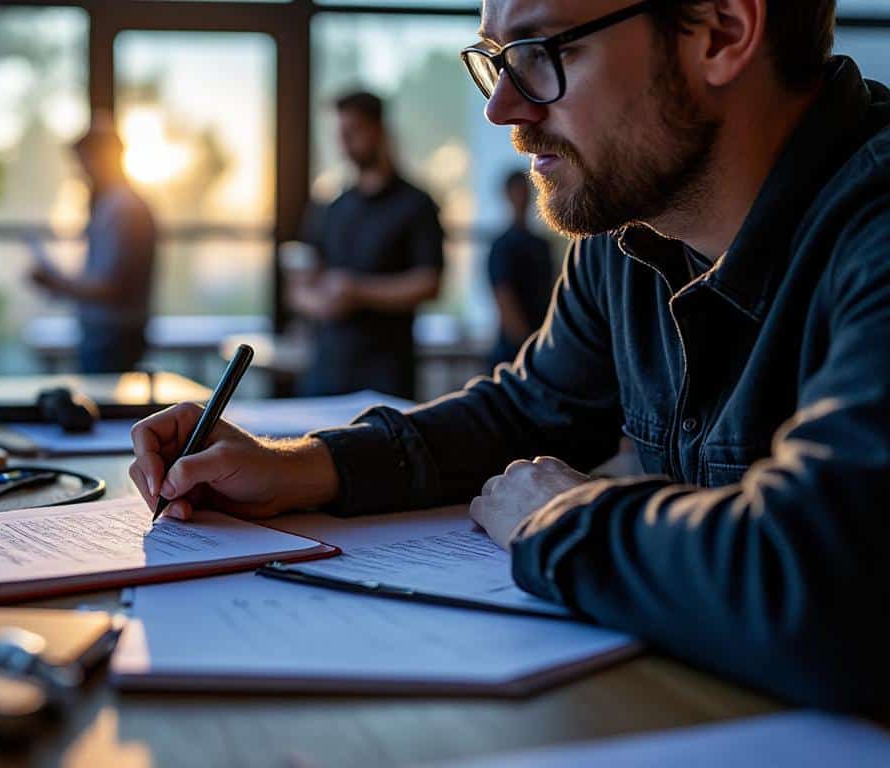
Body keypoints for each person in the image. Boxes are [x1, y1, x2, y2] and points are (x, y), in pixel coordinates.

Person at [129, 0, 890, 712]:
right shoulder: (632, 231)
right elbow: (530, 411)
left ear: (721, 31)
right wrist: (303, 466)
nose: (504, 107)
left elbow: (830, 585)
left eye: (539, 50)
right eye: (497, 57)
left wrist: (562, 520)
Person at [290, 91, 444, 400]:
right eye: (340, 134)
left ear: (378, 130)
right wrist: (317, 301)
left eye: (353, 131)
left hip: (385, 375)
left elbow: (429, 283)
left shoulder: (415, 204)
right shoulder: (328, 207)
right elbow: (298, 288)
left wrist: (358, 290)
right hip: (325, 373)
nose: (344, 142)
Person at [27, 113, 157, 373]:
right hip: (109, 335)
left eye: (84, 163)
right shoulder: (113, 206)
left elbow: (112, 287)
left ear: (102, 159)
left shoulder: (124, 210)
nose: (81, 172)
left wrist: (56, 282)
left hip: (113, 337)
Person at [487, 170, 555, 366]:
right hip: (516, 350)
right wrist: (528, 346)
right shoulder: (502, 246)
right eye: (517, 191)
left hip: (541, 340)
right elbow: (504, 298)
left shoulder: (541, 245)